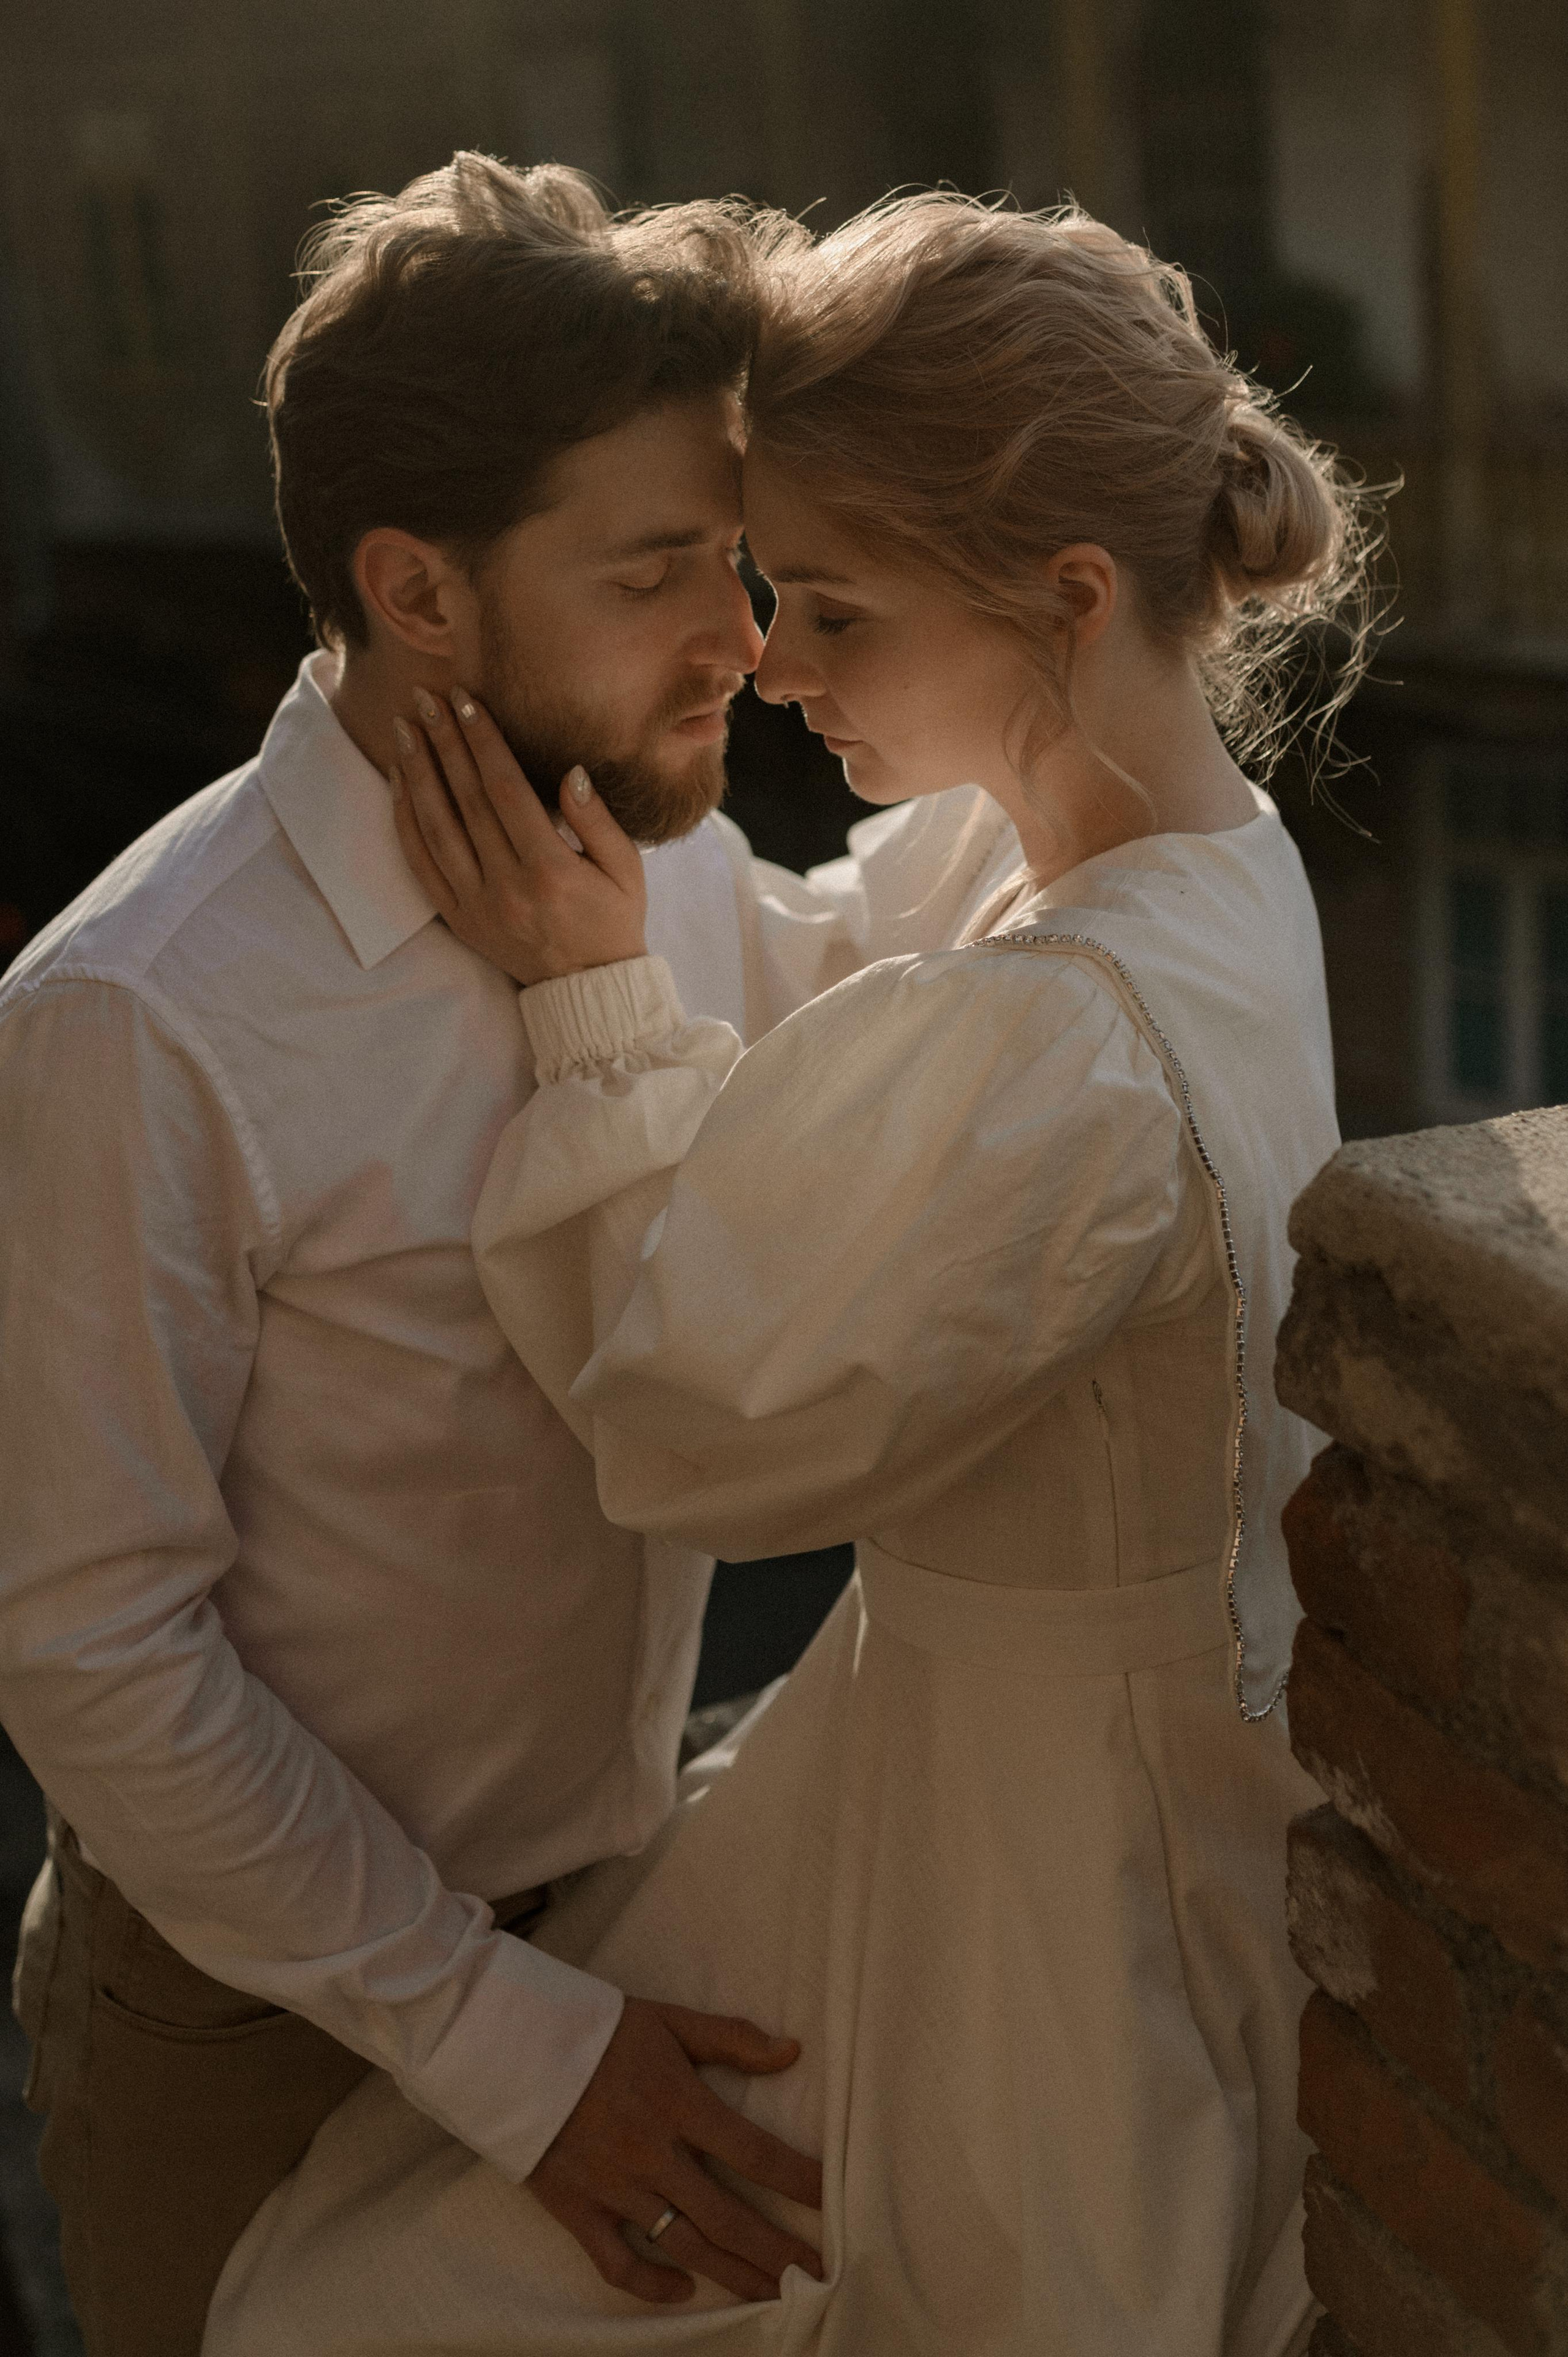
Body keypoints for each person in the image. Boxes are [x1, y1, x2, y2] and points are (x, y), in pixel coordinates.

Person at [203, 194, 1373, 2357]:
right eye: (752, 586)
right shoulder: (1217, 867)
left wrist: (587, 1006)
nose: (774, 661)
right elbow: (888, 990)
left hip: (1031, 1880)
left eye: (828, 604)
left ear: (1068, 595)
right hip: (1093, 1778)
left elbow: (696, 1413)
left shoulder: (1053, 1039)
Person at [0, 157, 1019, 2357]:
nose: (739, 643)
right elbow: (90, 1644)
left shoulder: (648, 855)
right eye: (659, 572)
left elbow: (867, 969)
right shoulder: (136, 1017)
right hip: (268, 2036)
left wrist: (1097, 680)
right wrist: (516, 2047)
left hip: (641, 1932)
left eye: (732, 564)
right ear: (419, 594)